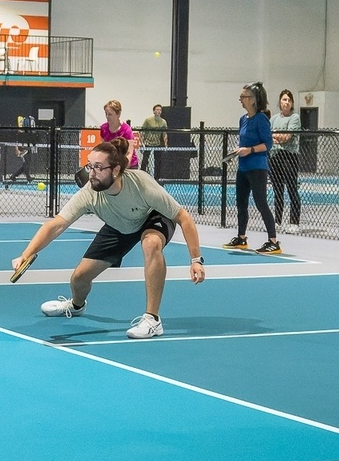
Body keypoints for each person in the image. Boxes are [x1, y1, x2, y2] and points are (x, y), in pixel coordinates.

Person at [12, 137, 205, 339]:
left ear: (115, 170)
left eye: (98, 167)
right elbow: (56, 224)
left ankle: (152, 319)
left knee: (151, 244)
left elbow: (184, 218)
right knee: (79, 278)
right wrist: (27, 253)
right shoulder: (89, 193)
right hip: (119, 225)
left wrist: (195, 260)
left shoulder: (141, 184)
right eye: (89, 166)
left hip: (151, 216)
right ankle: (76, 306)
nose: (91, 173)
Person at [226, 83, 281, 254]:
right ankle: (241, 238)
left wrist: (249, 150)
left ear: (253, 99)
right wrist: (238, 150)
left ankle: (273, 241)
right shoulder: (243, 119)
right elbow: (243, 141)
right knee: (241, 203)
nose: (241, 100)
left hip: (257, 167)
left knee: (261, 203)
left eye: (244, 97)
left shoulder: (261, 119)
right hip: (243, 168)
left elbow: (268, 144)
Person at [270, 89, 302, 235]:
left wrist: (275, 136)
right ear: (280, 102)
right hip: (275, 156)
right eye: (284, 100)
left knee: (291, 188)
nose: (286, 102)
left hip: (289, 156)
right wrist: (276, 137)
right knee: (278, 191)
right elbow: (267, 136)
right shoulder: (274, 119)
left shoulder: (295, 118)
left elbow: (287, 137)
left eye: (289, 100)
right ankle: (277, 221)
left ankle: (294, 222)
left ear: (292, 103)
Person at [99, 100, 137, 169]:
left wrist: (123, 169)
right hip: (112, 164)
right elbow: (103, 149)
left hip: (128, 165)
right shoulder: (103, 128)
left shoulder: (126, 130)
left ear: (118, 114)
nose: (107, 116)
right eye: (106, 113)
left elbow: (129, 153)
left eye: (110, 114)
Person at [138, 104, 168, 175]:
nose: (159, 111)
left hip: (157, 144)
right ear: (154, 111)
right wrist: (142, 143)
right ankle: (142, 175)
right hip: (148, 143)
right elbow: (142, 132)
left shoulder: (163, 122)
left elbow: (165, 134)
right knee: (145, 160)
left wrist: (166, 145)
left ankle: (157, 177)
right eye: (157, 110)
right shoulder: (148, 120)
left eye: (160, 110)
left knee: (158, 161)